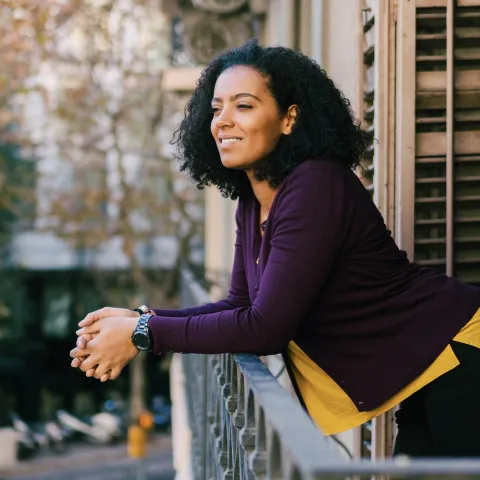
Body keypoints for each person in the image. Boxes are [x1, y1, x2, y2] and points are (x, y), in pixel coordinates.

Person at [70, 40, 480, 457]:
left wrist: (143, 335)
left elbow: (266, 326)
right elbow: (240, 302)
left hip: (460, 354)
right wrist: (143, 318)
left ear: (289, 118)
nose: (223, 122)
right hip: (428, 366)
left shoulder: (317, 186)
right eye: (216, 109)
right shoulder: (253, 201)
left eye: (243, 106)